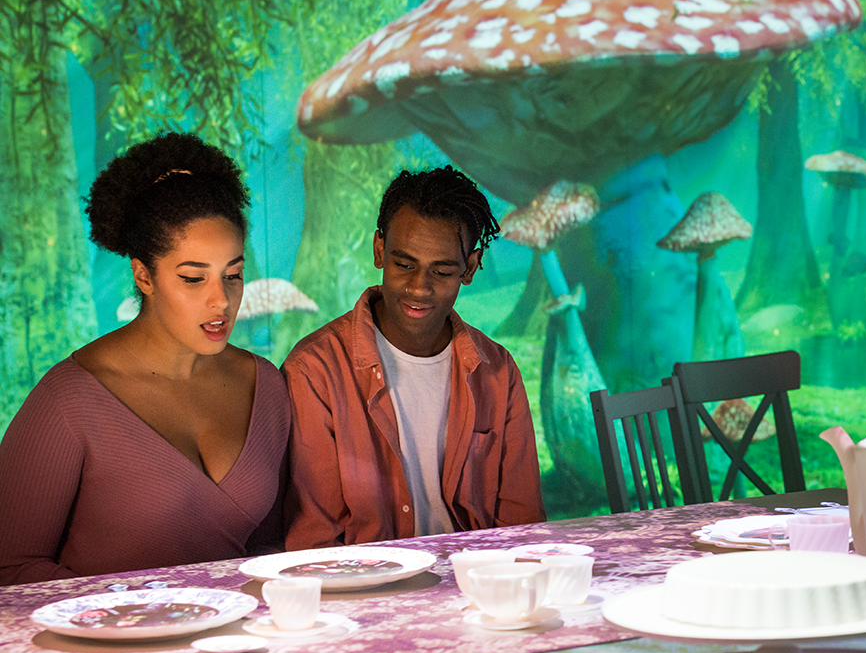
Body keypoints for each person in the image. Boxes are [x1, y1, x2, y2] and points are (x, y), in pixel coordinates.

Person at [0, 133, 290, 585]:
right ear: (143, 275)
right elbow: (10, 568)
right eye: (194, 278)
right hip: (107, 648)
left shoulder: (266, 385)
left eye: (233, 275)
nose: (222, 300)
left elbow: (271, 547)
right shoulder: (68, 400)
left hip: (237, 645)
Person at [283, 166, 543, 548]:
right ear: (378, 250)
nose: (419, 287)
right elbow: (314, 542)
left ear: (470, 268)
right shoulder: (315, 371)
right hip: (364, 591)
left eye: (441, 271)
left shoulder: (498, 372)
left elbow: (523, 530)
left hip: (480, 586)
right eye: (404, 265)